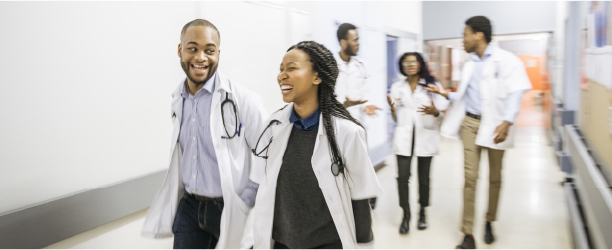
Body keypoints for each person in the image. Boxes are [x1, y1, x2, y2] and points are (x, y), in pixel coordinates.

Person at [140, 19, 267, 249]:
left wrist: (248, 197)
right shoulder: (179, 99)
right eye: (192, 48)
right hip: (190, 207)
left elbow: (268, 151)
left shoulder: (243, 99)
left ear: (218, 54)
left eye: (209, 50)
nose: (200, 57)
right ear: (180, 50)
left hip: (230, 208)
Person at [251, 41, 383, 249]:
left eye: (292, 68)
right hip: (282, 242)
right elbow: (263, 189)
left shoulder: (347, 133)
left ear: (317, 76)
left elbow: (360, 201)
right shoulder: (274, 126)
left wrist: (364, 244)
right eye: (281, 69)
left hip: (327, 243)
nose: (282, 75)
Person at [426, 16, 531, 249]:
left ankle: (489, 221)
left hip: (496, 126)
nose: (463, 40)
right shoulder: (469, 63)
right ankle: (467, 234)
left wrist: (508, 120)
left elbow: (516, 91)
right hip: (470, 125)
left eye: (465, 34)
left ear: (478, 35)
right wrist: (445, 94)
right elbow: (464, 96)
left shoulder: (506, 60)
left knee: (495, 177)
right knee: (470, 179)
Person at [386, 52, 449, 235]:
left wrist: (435, 111)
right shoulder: (397, 87)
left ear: (421, 64)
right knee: (402, 177)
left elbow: (442, 112)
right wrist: (392, 110)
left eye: (413, 61)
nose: (410, 65)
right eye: (406, 62)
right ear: (402, 66)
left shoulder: (432, 85)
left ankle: (422, 212)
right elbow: (397, 117)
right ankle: (406, 214)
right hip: (404, 137)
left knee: (424, 178)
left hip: (425, 135)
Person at [334, 22, 382, 209]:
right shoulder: (331, 64)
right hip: (338, 123)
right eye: (355, 40)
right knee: (341, 165)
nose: (358, 44)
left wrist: (368, 105)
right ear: (343, 42)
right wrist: (344, 104)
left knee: (362, 163)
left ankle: (368, 194)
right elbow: (328, 96)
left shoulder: (362, 66)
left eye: (358, 40)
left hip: (359, 123)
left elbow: (366, 94)